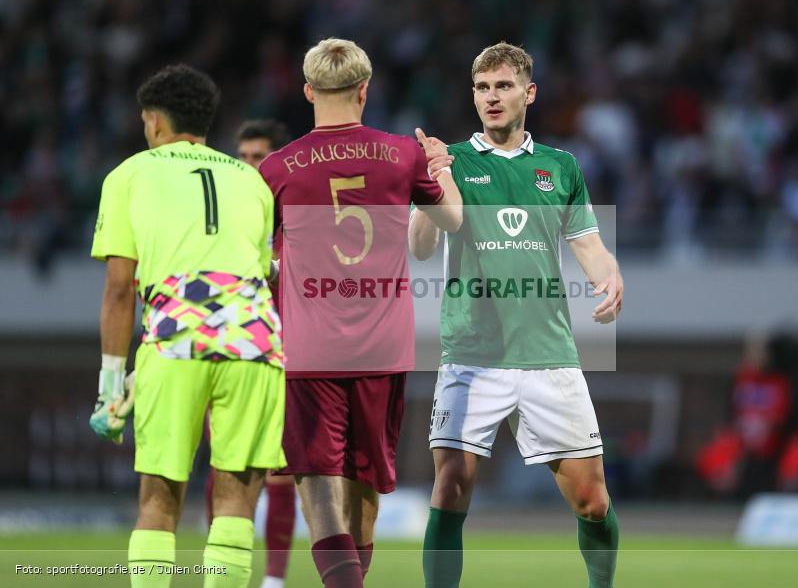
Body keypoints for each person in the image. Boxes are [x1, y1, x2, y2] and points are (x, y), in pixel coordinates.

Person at [410, 42, 623, 588]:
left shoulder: (560, 166)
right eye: (482, 88)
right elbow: (421, 246)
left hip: (547, 355)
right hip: (471, 355)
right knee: (450, 486)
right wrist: (432, 181)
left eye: (503, 86)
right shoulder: (452, 160)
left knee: (592, 500)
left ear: (528, 93)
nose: (491, 97)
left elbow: (588, 245)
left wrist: (610, 274)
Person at [259, 38, 462, 588]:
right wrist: (441, 166)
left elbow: (253, 256)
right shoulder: (403, 154)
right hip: (383, 348)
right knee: (365, 486)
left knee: (318, 488)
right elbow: (452, 220)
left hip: (309, 351)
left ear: (308, 91)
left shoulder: (276, 168)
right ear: (364, 90)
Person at [89, 64, 285, 588]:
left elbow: (119, 288)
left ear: (153, 120)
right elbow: (261, 269)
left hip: (175, 334)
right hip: (255, 337)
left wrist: (111, 384)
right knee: (236, 504)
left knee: (159, 500)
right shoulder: (251, 179)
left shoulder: (130, 174)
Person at [198, 118, 295, 588]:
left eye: (260, 157)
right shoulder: (224, 222)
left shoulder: (295, 222)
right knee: (222, 467)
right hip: (228, 354)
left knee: (279, 474)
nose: (250, 166)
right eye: (243, 157)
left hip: (284, 359)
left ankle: (274, 580)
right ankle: (218, 569)